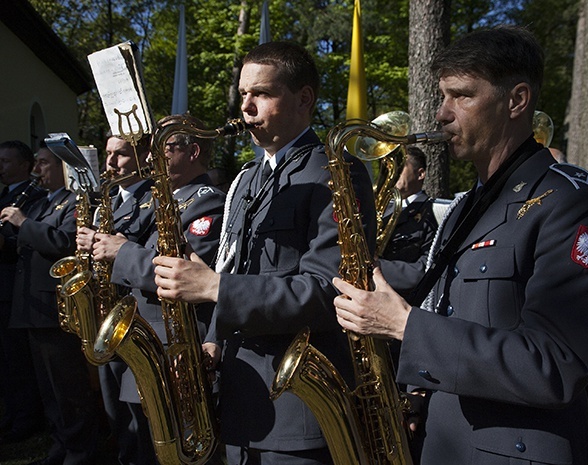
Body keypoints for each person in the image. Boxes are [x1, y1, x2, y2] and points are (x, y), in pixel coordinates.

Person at [332, 26, 588, 465]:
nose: (441, 114)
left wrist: (406, 327)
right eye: (442, 96)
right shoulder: (470, 204)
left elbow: (556, 364)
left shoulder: (576, 202)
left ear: (517, 100)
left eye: (461, 96)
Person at [152, 41, 375, 465]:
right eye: (243, 95)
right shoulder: (247, 178)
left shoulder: (336, 171)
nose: (246, 108)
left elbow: (332, 292)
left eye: (262, 94)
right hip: (238, 394)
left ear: (303, 99)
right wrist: (214, 341)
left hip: (296, 407)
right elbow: (234, 267)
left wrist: (214, 287)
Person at [93, 114, 225, 463]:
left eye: (162, 149)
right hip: (149, 338)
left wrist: (123, 251)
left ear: (193, 151)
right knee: (141, 445)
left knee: (177, 448)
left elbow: (183, 275)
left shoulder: (207, 200)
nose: (150, 158)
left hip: (175, 345)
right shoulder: (159, 198)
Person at [0, 141, 100, 465]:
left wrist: (22, 223)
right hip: (32, 309)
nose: (36, 170)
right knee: (49, 389)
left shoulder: (75, 201)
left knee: (68, 388)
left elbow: (62, 241)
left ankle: (81, 450)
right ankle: (61, 445)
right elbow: (25, 241)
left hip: (56, 310)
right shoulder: (44, 202)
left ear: (63, 168)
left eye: (43, 163)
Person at [75, 134, 156, 465]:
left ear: (142, 158)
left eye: (120, 155)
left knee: (141, 419)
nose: (110, 162)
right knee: (116, 412)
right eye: (108, 154)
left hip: (135, 317)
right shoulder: (109, 200)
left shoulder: (153, 197)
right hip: (106, 314)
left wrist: (107, 242)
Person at [0, 140, 46, 444]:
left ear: (24, 165)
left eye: (5, 161)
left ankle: (26, 419)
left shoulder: (33, 198)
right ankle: (11, 416)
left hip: (14, 287)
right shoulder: (4, 195)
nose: (1, 167)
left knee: (18, 359)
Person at [379, 145, 438, 296]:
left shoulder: (434, 212)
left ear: (420, 174)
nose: (393, 172)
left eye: (401, 167)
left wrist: (377, 267)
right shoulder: (381, 209)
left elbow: (426, 268)